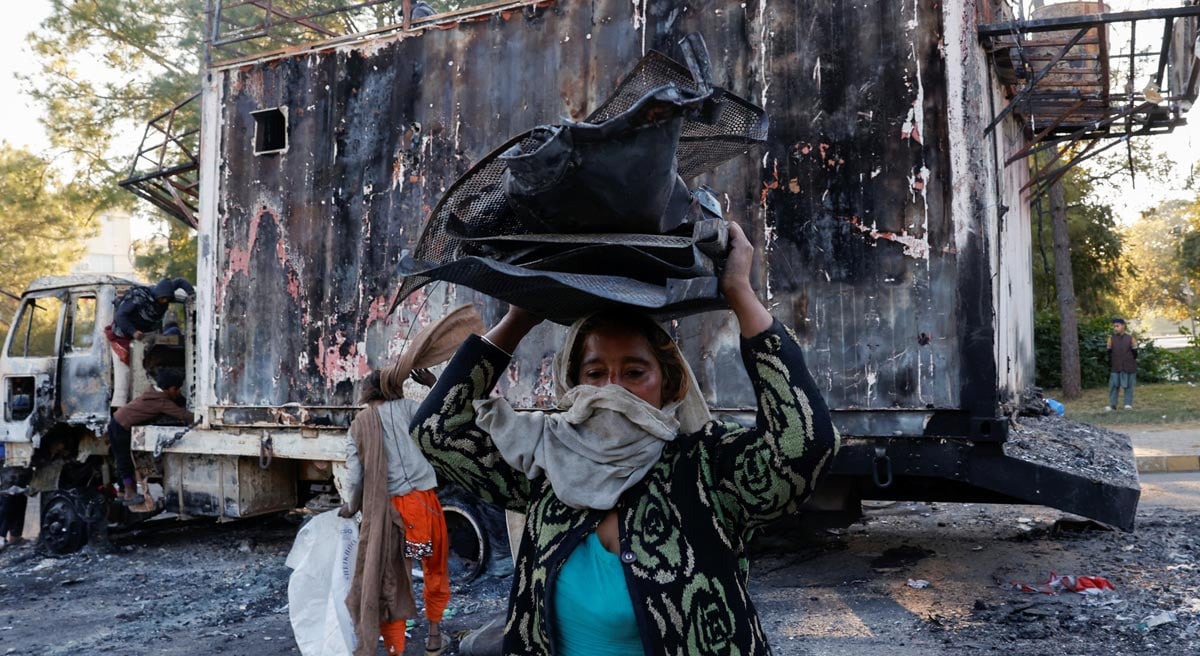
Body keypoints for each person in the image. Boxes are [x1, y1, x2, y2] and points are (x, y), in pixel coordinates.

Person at [410, 221, 839, 655]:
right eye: (595, 374)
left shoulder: (707, 469)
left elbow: (803, 449)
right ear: (570, 385)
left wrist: (740, 295)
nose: (612, 389)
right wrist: (519, 317)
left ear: (669, 386)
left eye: (634, 372)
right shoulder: (547, 471)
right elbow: (436, 433)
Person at [341, 306, 484, 656]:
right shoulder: (408, 410)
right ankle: (434, 637)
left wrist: (351, 506)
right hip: (426, 511)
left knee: (394, 579)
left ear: (366, 393)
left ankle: (396, 647)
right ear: (392, 388)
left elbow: (355, 477)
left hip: (392, 516)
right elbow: (442, 409)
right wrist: (432, 382)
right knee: (433, 569)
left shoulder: (358, 427)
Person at [107, 369, 194, 505]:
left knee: (121, 460)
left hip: (116, 422)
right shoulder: (161, 402)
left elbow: (176, 401)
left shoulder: (153, 393)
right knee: (125, 461)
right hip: (121, 427)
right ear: (170, 389)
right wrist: (202, 418)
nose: (178, 393)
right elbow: (182, 414)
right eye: (177, 390)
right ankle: (130, 494)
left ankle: (122, 492)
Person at [104, 278, 194, 406]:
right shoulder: (138, 298)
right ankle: (119, 412)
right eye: (162, 299)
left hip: (144, 338)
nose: (164, 302)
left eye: (167, 300)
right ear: (157, 295)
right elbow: (120, 316)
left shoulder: (166, 289)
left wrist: (191, 295)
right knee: (123, 381)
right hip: (122, 338)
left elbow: (180, 281)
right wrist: (133, 331)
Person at [1106, 318, 1137, 411]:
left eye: (1117, 326)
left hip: (1129, 366)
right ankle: (1113, 405)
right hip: (1116, 366)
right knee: (1114, 386)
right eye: (1114, 326)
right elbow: (1109, 352)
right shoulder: (1111, 339)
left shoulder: (1131, 338)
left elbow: (1135, 352)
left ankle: (1128, 404)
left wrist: (1129, 360)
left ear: (1123, 326)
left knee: (1128, 386)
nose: (1115, 328)